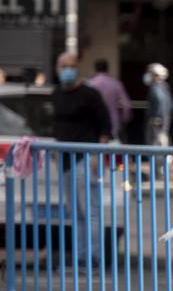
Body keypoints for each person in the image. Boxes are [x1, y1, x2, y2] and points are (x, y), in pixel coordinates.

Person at [52, 52, 112, 269]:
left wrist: (97, 153)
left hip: (86, 158)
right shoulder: (57, 93)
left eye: (71, 65)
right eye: (63, 65)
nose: (67, 69)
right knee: (75, 212)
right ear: (58, 69)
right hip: (65, 160)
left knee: (90, 210)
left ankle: (94, 257)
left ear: (77, 67)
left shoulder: (90, 94)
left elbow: (106, 125)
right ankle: (80, 256)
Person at [87, 58, 132, 143]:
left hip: (94, 124)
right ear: (107, 68)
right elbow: (127, 106)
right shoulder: (115, 84)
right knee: (110, 154)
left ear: (95, 68)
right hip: (113, 124)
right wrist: (124, 120)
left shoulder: (90, 84)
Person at [144, 62, 173, 147]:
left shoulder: (156, 89)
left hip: (156, 126)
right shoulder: (165, 87)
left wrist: (161, 126)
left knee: (156, 151)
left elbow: (163, 107)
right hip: (162, 125)